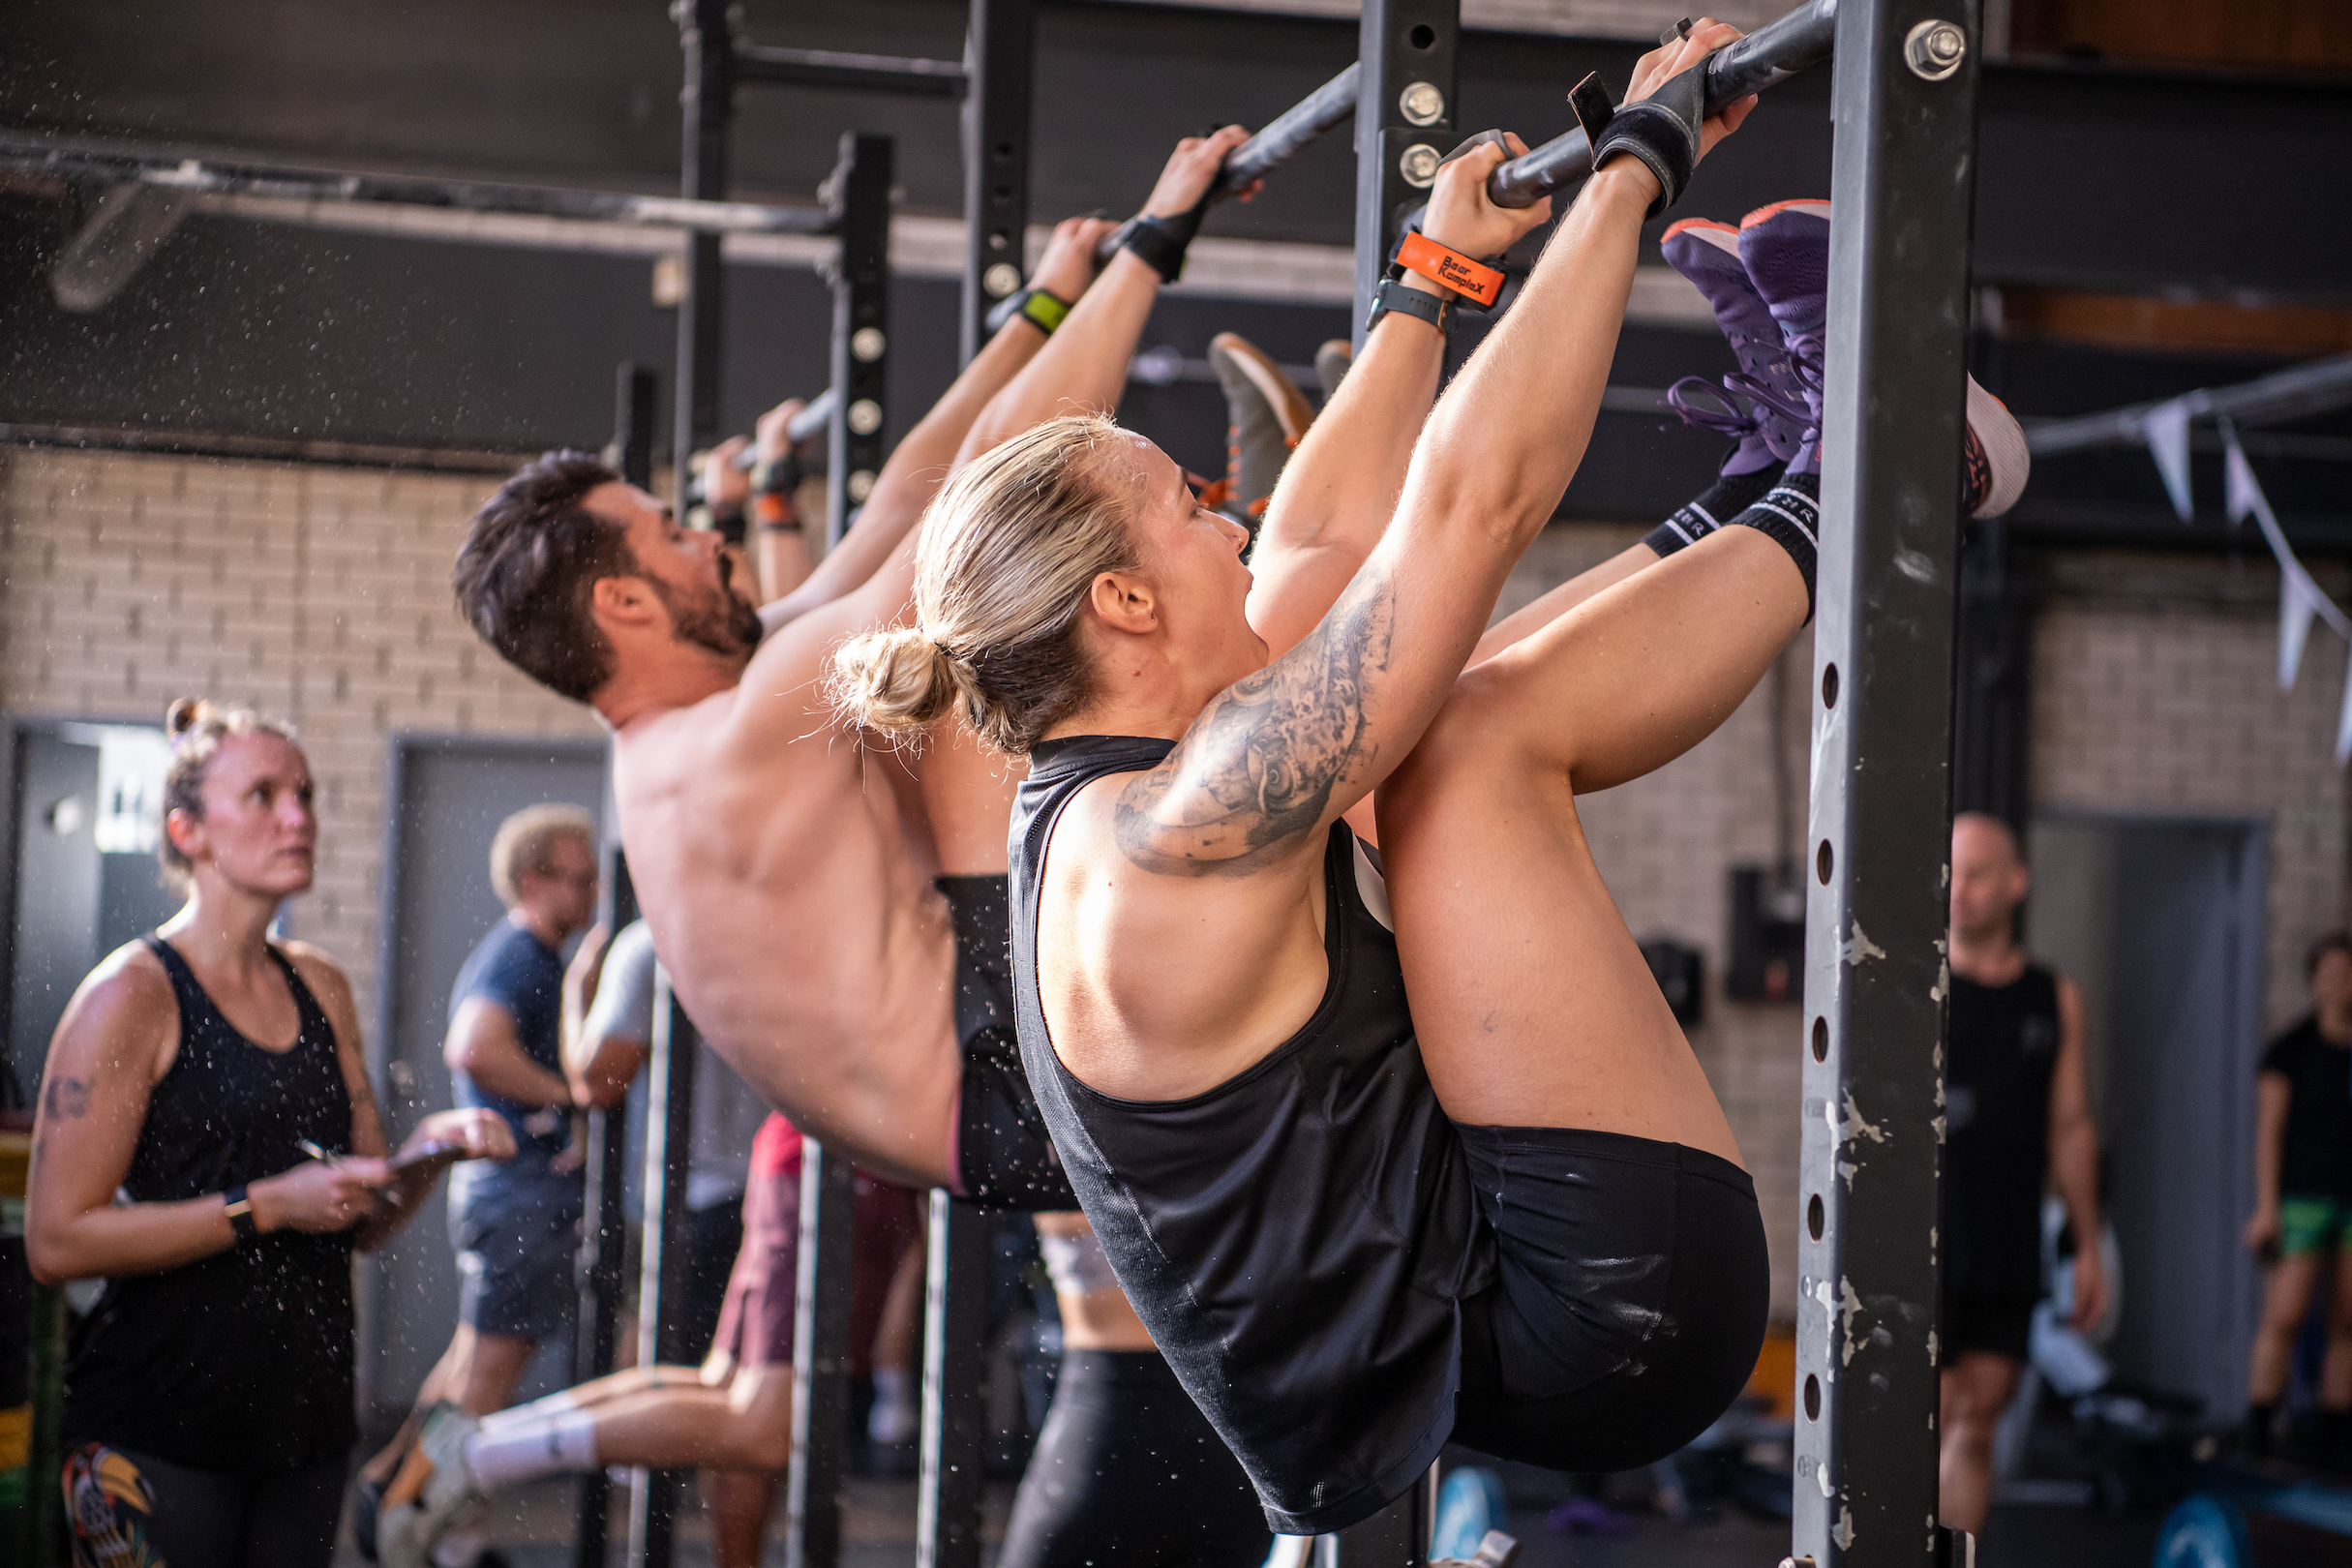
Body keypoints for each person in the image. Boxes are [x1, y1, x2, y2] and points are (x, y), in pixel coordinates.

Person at [831, 25, 2028, 1535]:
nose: (1227, 521)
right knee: (1448, 737)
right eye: (1190, 509)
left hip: (1501, 1279)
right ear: (1123, 607)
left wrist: (1436, 274)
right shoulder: (1163, 837)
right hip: (1589, 1319)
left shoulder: (1131, 782)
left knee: (1415, 707)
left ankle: (1774, 482)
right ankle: (1883, 471)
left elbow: (1323, 540)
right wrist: (1627, 174)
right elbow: (1464, 510)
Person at [400, 136, 1250, 1564]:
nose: (712, 549)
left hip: (973, 1107)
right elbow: (966, 500)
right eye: (677, 537)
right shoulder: (739, 743)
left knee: (960, 679)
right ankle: (1284, 548)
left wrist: (1052, 305)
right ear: (622, 605)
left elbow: (909, 489)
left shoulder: (678, 749)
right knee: (1023, 631)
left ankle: (1265, 558)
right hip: (1010, 1093)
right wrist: (1149, 250)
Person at [25, 700, 512, 1568]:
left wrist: (429, 1155)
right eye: (262, 795)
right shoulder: (131, 996)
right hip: (159, 1428)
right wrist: (265, 1206)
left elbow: (362, 1221)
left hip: (305, 1428)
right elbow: (57, 1242)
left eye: (306, 793)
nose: (299, 816)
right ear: (189, 829)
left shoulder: (321, 985)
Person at [356, 803, 600, 1558]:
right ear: (533, 880)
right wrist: (572, 1095)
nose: (593, 893)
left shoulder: (532, 957)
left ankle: (388, 1492)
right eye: (580, 878)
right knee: (486, 1380)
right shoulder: (521, 958)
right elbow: (474, 1049)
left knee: (468, 1363)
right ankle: (426, 1530)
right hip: (520, 1199)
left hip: (509, 1199)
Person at [1939, 811, 2103, 1533]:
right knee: (1928, 1419)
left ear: (2015, 883)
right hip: (1930, 1235)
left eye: (1977, 873)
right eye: (1953, 873)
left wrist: (2088, 1243)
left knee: (1977, 1423)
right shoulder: (1919, 983)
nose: (1960, 889)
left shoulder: (2054, 996)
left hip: (2009, 1237)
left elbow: (2069, 1125)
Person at [2244, 929, 2352, 1460]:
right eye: (2330, 973)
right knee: (2284, 1315)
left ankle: (2335, 1427)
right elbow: (2269, 1133)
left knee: (2347, 1318)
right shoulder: (2291, 1050)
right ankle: (2260, 1424)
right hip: (2303, 1197)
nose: (2340, 984)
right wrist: (2267, 1208)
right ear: (2315, 981)